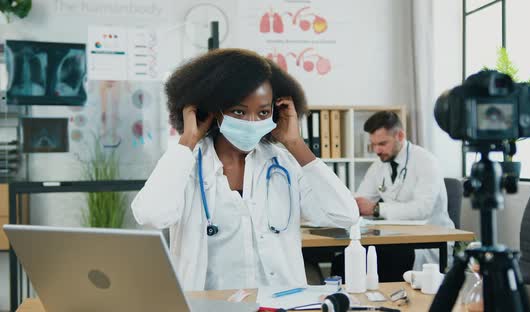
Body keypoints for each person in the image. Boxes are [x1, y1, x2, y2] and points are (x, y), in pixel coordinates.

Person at [131, 49, 359, 291]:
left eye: (262, 112)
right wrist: (188, 140)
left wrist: (296, 145)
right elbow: (150, 215)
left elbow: (345, 215)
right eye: (239, 111)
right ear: (212, 110)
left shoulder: (283, 164)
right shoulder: (187, 164)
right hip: (210, 307)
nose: (252, 122)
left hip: (281, 304)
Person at [355, 111, 455, 270]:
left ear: (400, 136)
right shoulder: (379, 165)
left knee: (371, 264)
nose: (377, 150)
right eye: (373, 145)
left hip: (426, 243)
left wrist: (376, 209)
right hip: (394, 239)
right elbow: (361, 200)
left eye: (382, 144)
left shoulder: (426, 162)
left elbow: (422, 209)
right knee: (346, 261)